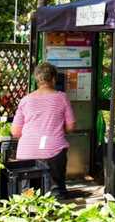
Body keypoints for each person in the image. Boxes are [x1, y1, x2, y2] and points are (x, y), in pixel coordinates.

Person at [11, 63, 75, 198]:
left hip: (27, 151)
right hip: (53, 150)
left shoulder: (25, 100)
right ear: (53, 79)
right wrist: (55, 128)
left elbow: (15, 131)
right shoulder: (61, 97)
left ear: (37, 80)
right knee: (56, 194)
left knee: (28, 195)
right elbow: (70, 126)